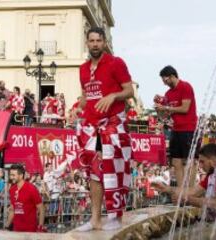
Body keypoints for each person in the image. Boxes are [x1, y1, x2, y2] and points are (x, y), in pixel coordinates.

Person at [73, 27, 134, 231]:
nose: (95, 44)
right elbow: (85, 97)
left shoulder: (116, 63)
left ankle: (116, 216)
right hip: (92, 128)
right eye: (91, 41)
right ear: (87, 43)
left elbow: (129, 90)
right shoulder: (82, 69)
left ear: (104, 41)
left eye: (99, 40)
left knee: (115, 170)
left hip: (113, 125)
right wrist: (76, 109)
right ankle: (95, 220)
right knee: (94, 174)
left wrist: (112, 96)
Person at [153, 143, 216, 240]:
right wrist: (167, 189)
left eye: (202, 161)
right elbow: (193, 191)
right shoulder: (213, 175)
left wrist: (187, 199)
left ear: (212, 160)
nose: (201, 166)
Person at [154, 66, 198, 187]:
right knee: (176, 161)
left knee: (190, 161)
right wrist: (158, 106)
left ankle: (190, 190)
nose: (165, 83)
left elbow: (185, 108)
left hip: (189, 128)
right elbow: (163, 116)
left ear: (172, 76)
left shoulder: (185, 86)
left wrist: (166, 107)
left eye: (166, 80)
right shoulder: (168, 93)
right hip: (176, 129)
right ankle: (181, 190)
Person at [5, 164, 45, 232]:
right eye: (10, 175)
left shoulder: (31, 189)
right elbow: (12, 210)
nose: (11, 177)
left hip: (30, 231)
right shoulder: (12, 190)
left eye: (13, 175)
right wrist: (6, 227)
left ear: (21, 175)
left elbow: (41, 209)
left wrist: (40, 227)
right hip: (16, 230)